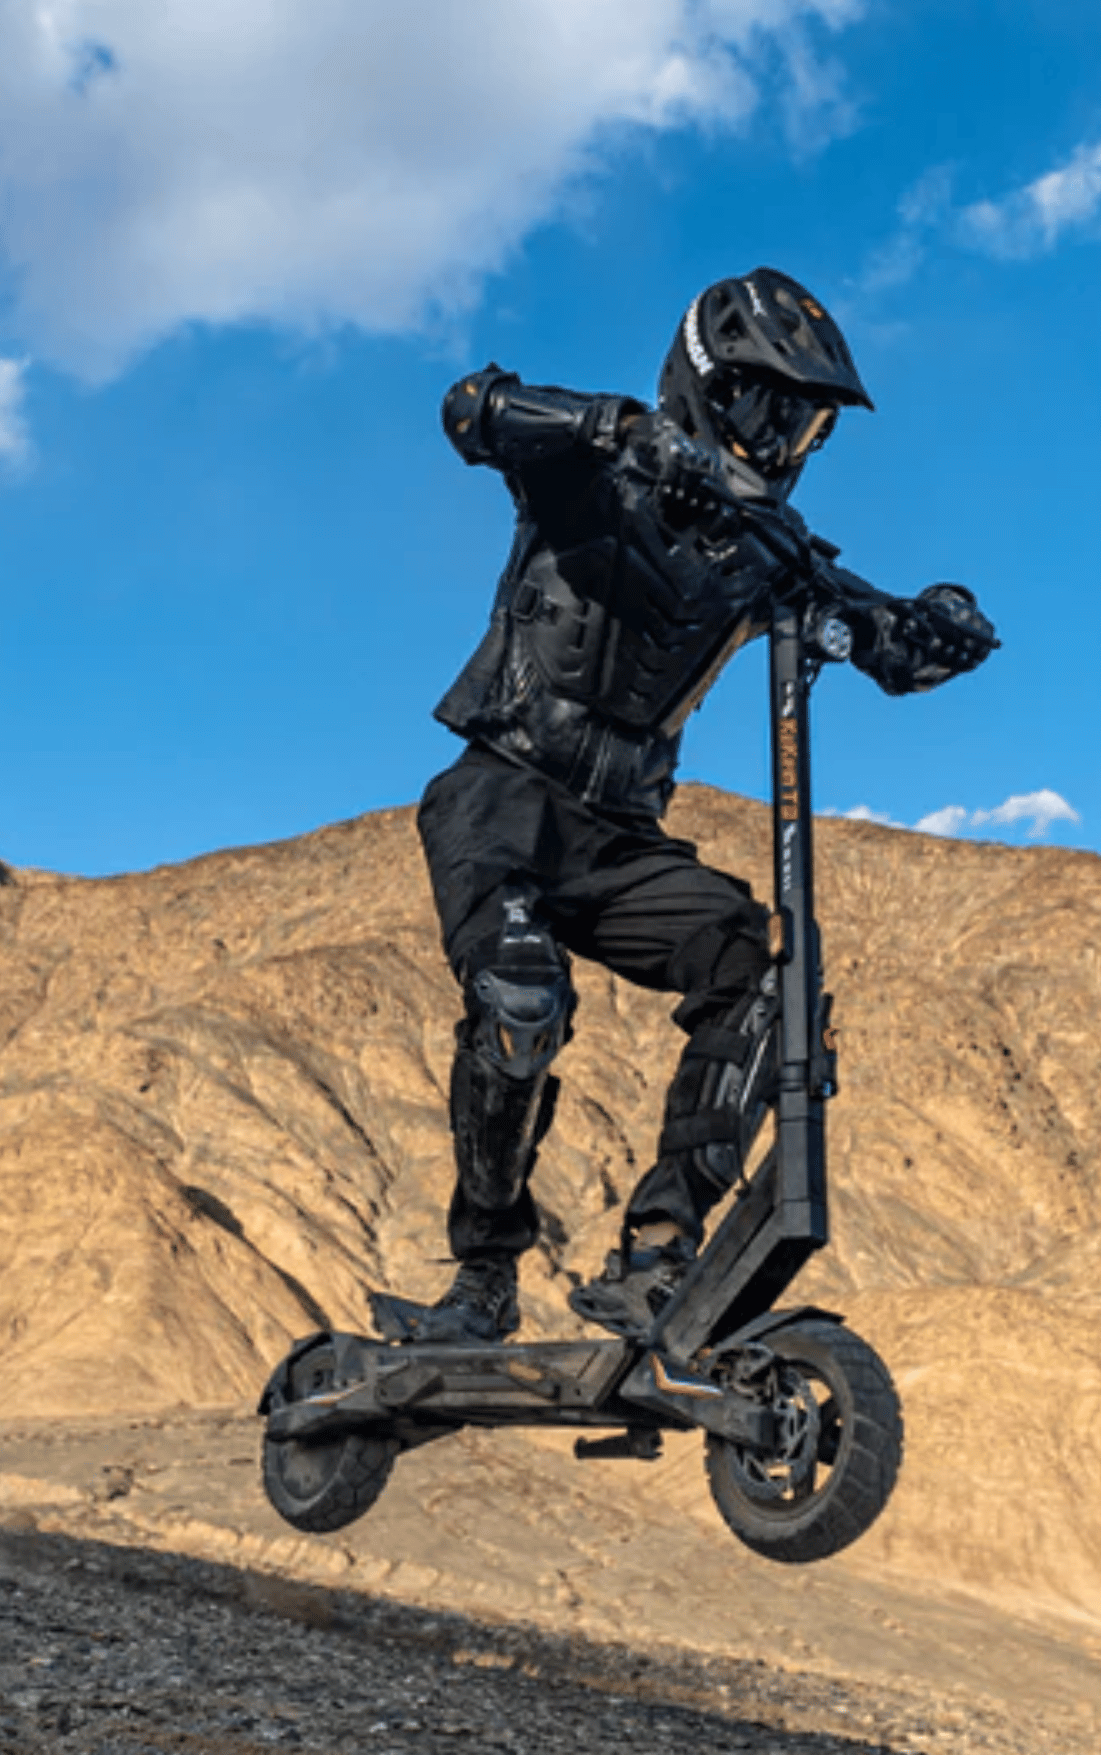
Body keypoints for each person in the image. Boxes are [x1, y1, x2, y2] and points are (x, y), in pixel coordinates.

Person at [413, 267, 998, 1343]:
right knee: (519, 1000)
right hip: (501, 798)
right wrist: (619, 434)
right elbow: (470, 410)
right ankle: (482, 1276)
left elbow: (879, 644)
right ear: (707, 386)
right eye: (771, 410)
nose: (786, 442)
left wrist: (934, 624)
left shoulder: (769, 551)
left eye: (808, 425)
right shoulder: (593, 471)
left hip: (620, 840)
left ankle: (660, 1249)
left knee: (765, 966)